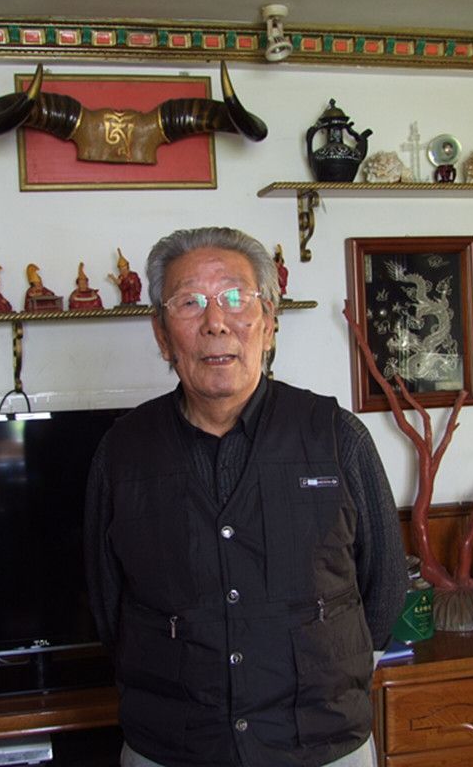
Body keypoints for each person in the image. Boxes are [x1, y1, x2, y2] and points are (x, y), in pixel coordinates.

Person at [85, 226, 408, 767]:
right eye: (190, 302)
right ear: (162, 334)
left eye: (236, 297)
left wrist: (329, 673)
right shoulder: (122, 452)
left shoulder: (335, 436)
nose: (216, 322)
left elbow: (386, 582)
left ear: (269, 322)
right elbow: (106, 602)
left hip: (321, 745)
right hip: (172, 746)